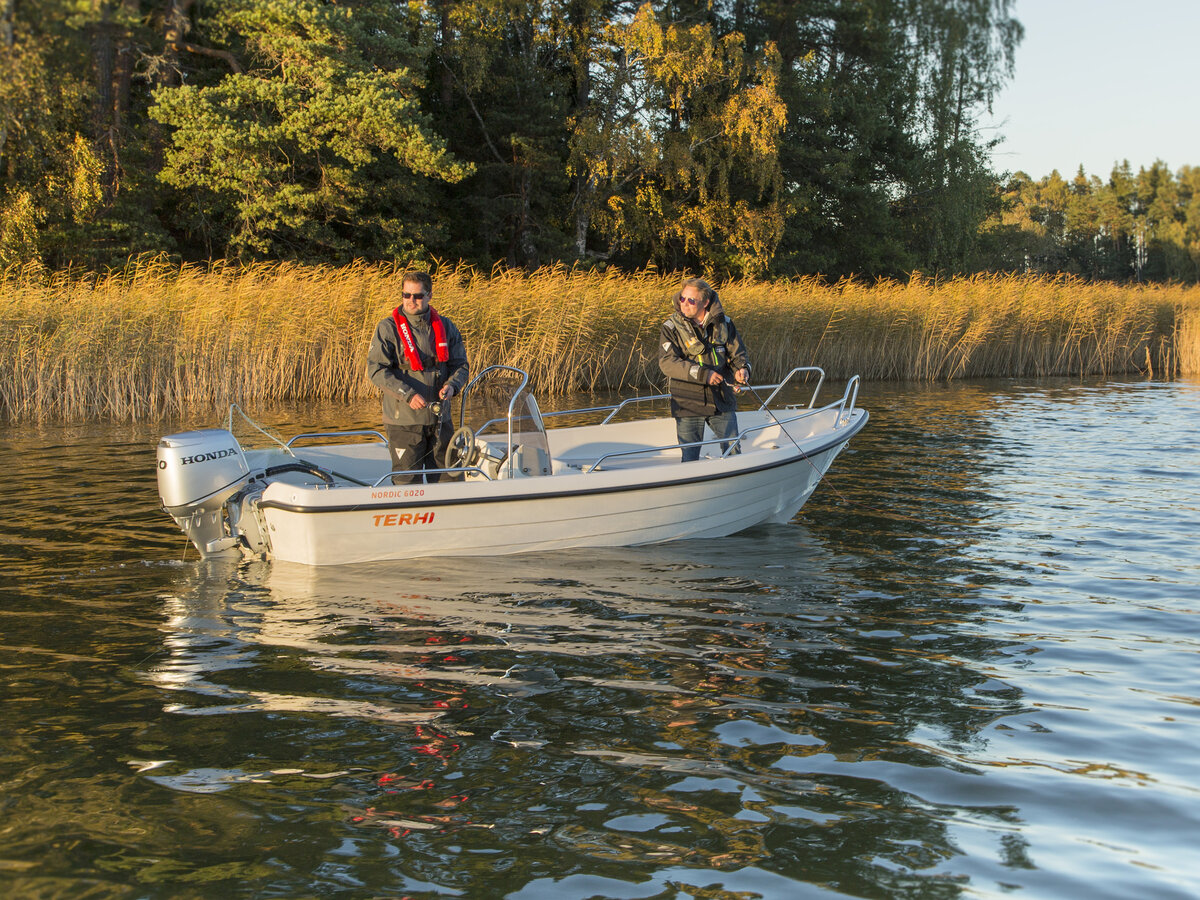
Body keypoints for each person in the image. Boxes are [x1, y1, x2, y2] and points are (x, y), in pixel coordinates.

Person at [367, 271, 469, 484]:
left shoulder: (446, 326)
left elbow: (460, 365)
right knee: (407, 483)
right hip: (404, 422)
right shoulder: (387, 328)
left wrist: (452, 385)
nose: (411, 300)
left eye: (418, 296)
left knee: (450, 481)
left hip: (440, 420)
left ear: (429, 295)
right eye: (406, 295)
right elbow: (377, 370)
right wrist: (408, 395)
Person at [657, 277, 751, 462]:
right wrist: (703, 374)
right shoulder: (670, 328)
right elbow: (667, 363)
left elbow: (738, 355)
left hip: (722, 399)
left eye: (691, 300)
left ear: (705, 302)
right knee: (690, 458)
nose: (685, 303)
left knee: (733, 453)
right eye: (682, 298)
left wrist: (742, 369)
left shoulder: (725, 324)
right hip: (688, 402)